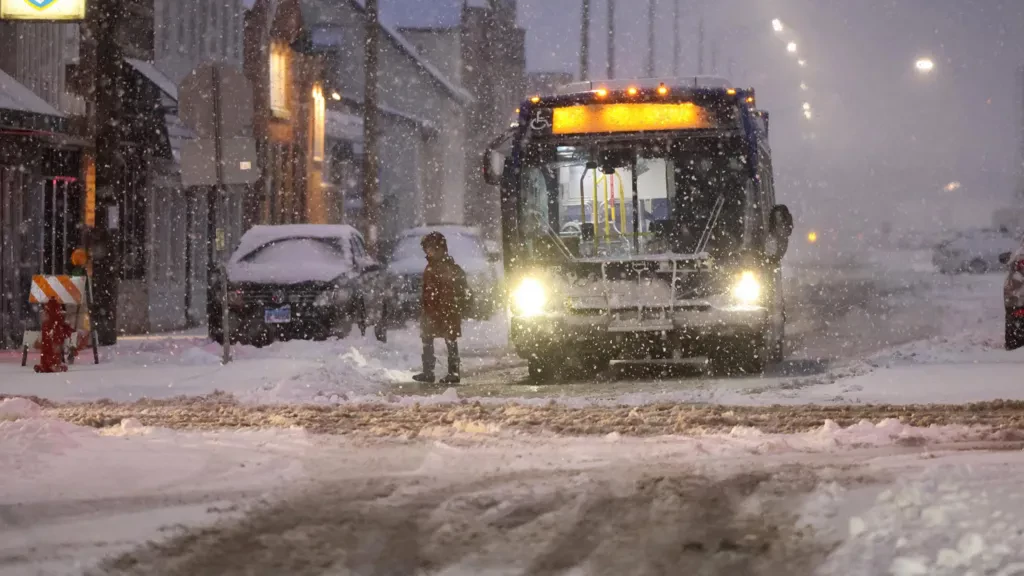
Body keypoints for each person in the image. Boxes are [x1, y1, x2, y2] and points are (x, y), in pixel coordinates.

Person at [413, 232, 470, 384]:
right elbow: (427, 290)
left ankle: (453, 372)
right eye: (426, 248)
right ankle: (429, 371)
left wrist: (442, 310)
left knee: (450, 339)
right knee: (427, 338)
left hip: (445, 311)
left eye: (430, 248)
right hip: (433, 310)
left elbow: (446, 292)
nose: (427, 251)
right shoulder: (431, 267)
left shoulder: (444, 267)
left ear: (440, 249)